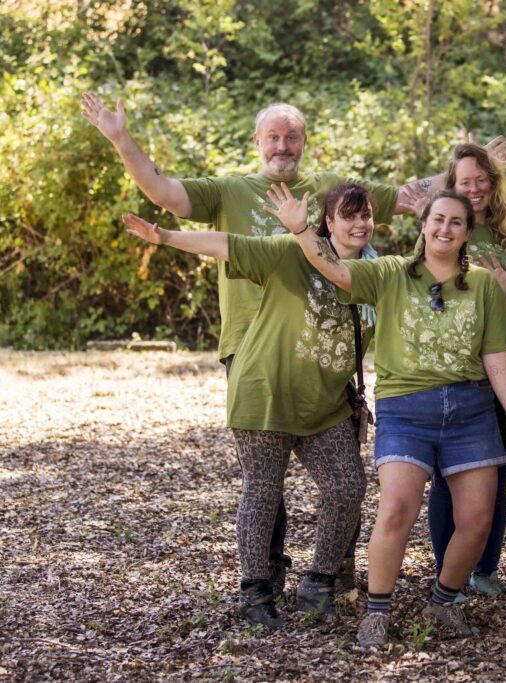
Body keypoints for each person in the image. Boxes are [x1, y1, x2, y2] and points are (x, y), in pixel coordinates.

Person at [80, 94, 410, 593]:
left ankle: (330, 572)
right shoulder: (234, 193)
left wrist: (469, 183)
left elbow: (414, 198)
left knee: (344, 478)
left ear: (304, 142)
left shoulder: (337, 199)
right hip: (254, 349)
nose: (282, 145)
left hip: (326, 358)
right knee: (265, 479)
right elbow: (166, 193)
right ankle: (263, 579)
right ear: (257, 142)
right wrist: (120, 139)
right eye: (273, 137)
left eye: (291, 136)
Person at [271, 187, 506, 649]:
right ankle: (377, 611)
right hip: (406, 408)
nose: (444, 229)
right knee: (397, 507)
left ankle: (443, 601)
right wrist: (300, 228)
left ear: (466, 233)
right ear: (423, 224)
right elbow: (334, 269)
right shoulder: (390, 272)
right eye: (437, 219)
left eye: (455, 222)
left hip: (471, 409)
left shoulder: (481, 285)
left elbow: (497, 355)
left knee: (477, 519)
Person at [119, 182, 387, 628]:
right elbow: (227, 245)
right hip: (265, 392)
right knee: (263, 490)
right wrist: (166, 237)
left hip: (325, 404)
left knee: (347, 487)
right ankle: (255, 592)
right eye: (348, 215)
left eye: (366, 215)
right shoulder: (291, 252)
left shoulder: (380, 273)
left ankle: (317, 582)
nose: (359, 224)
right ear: (329, 221)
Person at [427, 143, 506, 598]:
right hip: (456, 374)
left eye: (481, 179)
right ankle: (446, 570)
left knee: (498, 474)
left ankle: (484, 569)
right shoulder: (444, 234)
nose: (473, 189)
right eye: (463, 181)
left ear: (494, 184)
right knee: (448, 475)